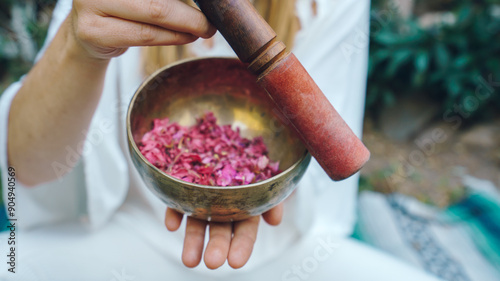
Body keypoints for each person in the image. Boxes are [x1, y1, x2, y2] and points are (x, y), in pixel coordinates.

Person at [0, 0, 443, 280]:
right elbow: (31, 168)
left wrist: (260, 185)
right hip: (132, 241)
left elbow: (322, 140)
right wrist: (78, 47)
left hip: (287, 254)